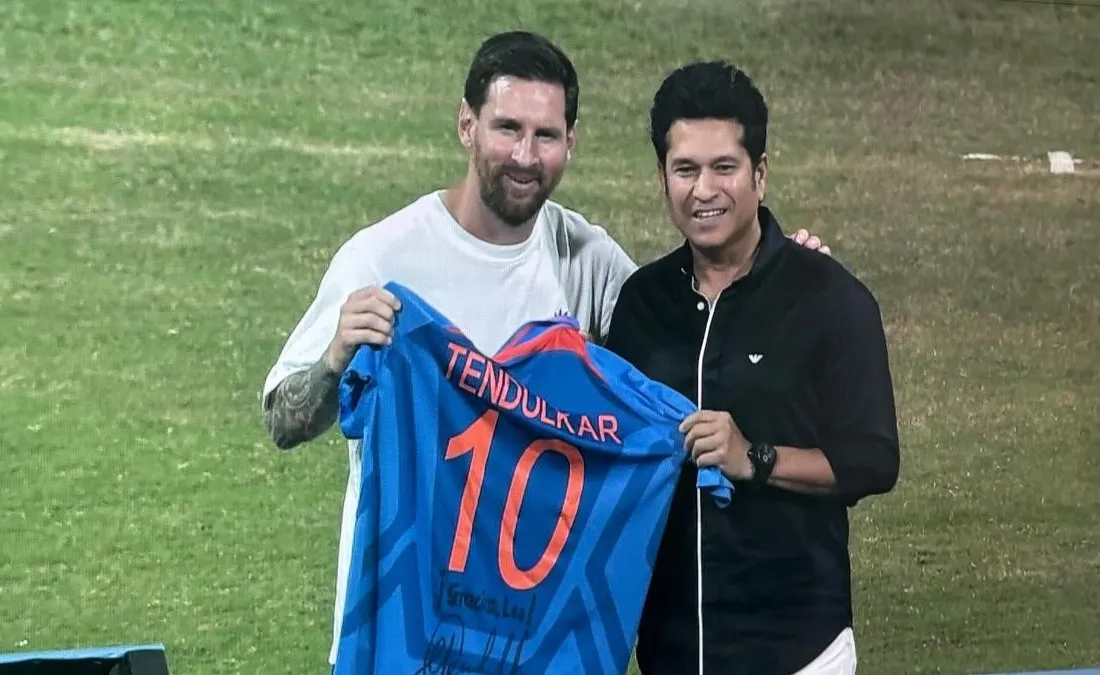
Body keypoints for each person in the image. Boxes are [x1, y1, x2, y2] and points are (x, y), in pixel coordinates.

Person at [259, 32, 832, 671]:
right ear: (465, 125)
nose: (525, 156)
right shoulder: (385, 258)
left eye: (546, 135)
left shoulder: (582, 256)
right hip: (407, 631)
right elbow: (284, 420)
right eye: (507, 128)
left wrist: (783, 275)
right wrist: (336, 356)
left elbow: (696, 337)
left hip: (528, 637)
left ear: (571, 142)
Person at [603, 60, 901, 675]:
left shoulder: (829, 299)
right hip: (668, 650)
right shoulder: (641, 303)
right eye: (684, 169)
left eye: (724, 168)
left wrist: (753, 458)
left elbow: (871, 461)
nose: (703, 190)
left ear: (759, 174)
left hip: (797, 649)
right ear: (662, 177)